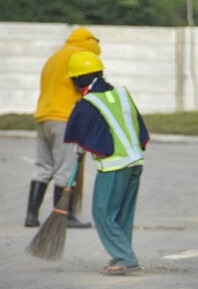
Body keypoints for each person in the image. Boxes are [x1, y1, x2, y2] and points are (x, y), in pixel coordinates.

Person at [64, 51, 150, 276]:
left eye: (73, 79)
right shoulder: (121, 93)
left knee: (102, 212)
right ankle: (120, 257)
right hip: (135, 162)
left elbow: (82, 130)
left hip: (114, 166)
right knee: (122, 214)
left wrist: (81, 144)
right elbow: (136, 124)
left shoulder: (88, 102)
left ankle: (125, 257)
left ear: (80, 78)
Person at [25, 27, 100, 229]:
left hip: (43, 116)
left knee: (43, 167)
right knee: (65, 169)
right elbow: (84, 86)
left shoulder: (54, 57)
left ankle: (31, 216)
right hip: (64, 119)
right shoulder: (79, 56)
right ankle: (64, 217)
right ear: (90, 41)